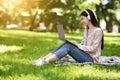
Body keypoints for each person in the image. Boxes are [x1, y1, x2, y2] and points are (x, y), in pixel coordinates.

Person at [31, 9, 104, 66]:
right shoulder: (86, 29)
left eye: (82, 19)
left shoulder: (98, 31)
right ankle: (44, 58)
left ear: (89, 17)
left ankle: (45, 61)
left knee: (69, 46)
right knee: (67, 44)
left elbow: (93, 48)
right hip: (84, 55)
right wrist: (75, 45)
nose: (81, 21)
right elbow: (83, 44)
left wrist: (77, 45)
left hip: (91, 59)